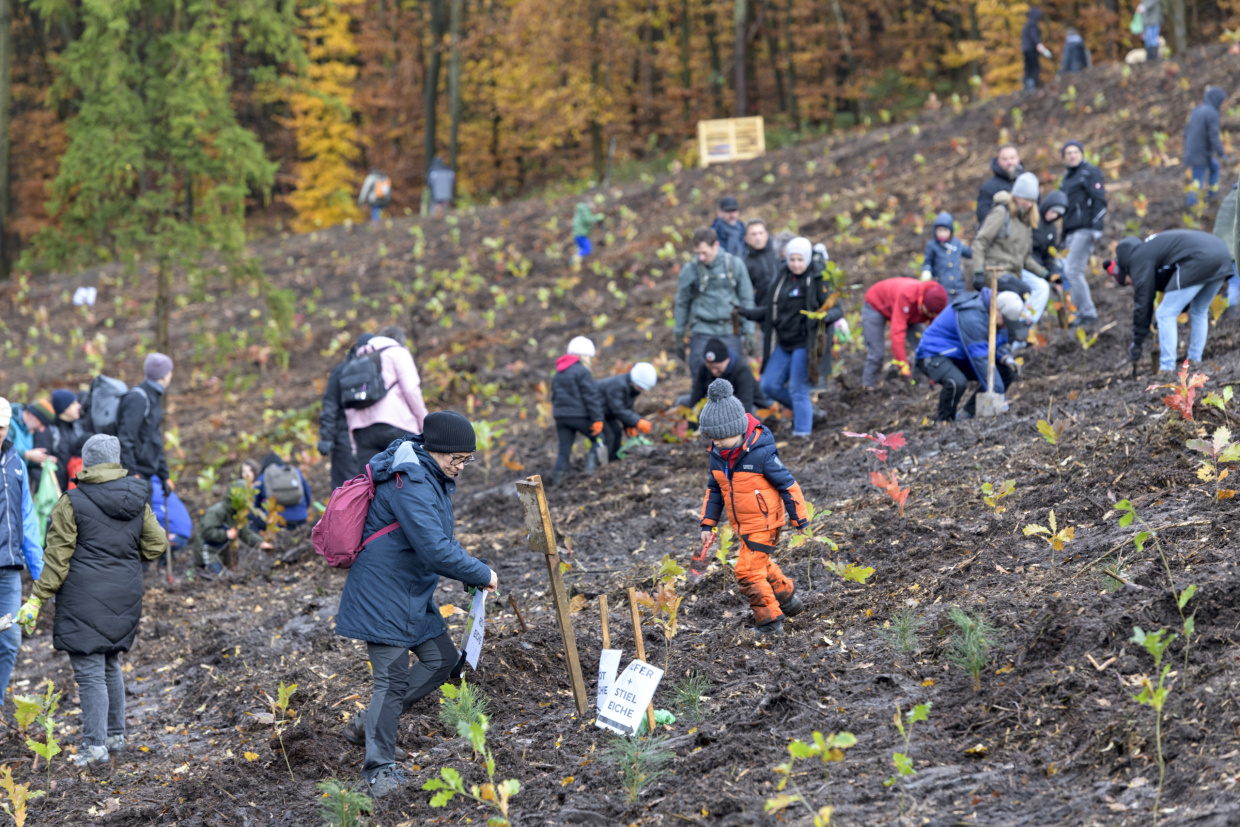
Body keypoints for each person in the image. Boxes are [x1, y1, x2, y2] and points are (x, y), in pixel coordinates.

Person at [334, 412, 497, 798]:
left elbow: (438, 540)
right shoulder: (412, 481)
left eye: (466, 459)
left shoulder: (430, 475)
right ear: (436, 449)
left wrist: (469, 572)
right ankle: (379, 771)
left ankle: (367, 725)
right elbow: (434, 548)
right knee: (389, 683)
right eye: (457, 458)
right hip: (382, 594)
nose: (460, 466)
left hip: (409, 591)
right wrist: (479, 572)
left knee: (441, 659)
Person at [15, 435, 165, 768]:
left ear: (86, 462)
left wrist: (37, 598)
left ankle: (95, 746)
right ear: (116, 460)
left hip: (83, 597)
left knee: (90, 672)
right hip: (125, 594)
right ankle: (115, 736)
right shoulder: (138, 498)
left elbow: (56, 560)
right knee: (110, 663)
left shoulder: (72, 502)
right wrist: (122, 557)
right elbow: (156, 546)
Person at [695, 379, 808, 636]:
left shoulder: (761, 454)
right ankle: (788, 599)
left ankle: (769, 623)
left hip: (765, 523)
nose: (717, 443)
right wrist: (707, 523)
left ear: (736, 429)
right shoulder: (718, 456)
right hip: (743, 524)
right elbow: (714, 491)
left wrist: (799, 518)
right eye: (712, 438)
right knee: (761, 565)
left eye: (720, 437)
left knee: (746, 571)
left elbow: (788, 484)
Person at [1106, 231, 1232, 373]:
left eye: (1127, 282)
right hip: (1221, 255)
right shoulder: (1152, 248)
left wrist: (1138, 341)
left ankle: (1167, 368)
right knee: (1199, 310)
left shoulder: (1138, 259)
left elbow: (1143, 303)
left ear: (1125, 270)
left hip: (1199, 259)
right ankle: (1195, 361)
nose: (1132, 285)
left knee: (1165, 313)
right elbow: (1181, 286)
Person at [757, 237, 840, 437]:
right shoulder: (782, 276)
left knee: (798, 388)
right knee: (768, 384)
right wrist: (746, 312)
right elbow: (772, 309)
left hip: (807, 342)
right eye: (792, 259)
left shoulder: (819, 277)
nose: (795, 264)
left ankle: (802, 434)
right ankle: (810, 412)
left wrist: (823, 316)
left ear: (808, 258)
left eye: (800, 260)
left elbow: (836, 309)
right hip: (785, 341)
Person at [915, 290, 1027, 421]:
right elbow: (981, 359)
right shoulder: (972, 317)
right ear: (997, 310)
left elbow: (996, 344)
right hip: (933, 354)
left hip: (961, 356)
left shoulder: (997, 318)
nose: (1005, 326)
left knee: (1007, 370)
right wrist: (999, 396)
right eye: (1005, 321)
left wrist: (1005, 357)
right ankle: (945, 422)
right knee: (956, 381)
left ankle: (966, 415)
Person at [0, 399, 44, 709]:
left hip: (9, 569)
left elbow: (27, 519)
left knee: (10, 640)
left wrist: (40, 575)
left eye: (1, 427)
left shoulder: (15, 462)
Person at [972, 173, 1052, 334]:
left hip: (1014, 271)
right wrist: (979, 271)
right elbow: (980, 241)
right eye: (1026, 200)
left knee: (1042, 287)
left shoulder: (1026, 220)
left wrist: (1046, 274)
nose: (1029, 205)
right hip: (995, 270)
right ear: (1016, 196)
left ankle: (1025, 326)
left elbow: (1026, 258)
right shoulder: (1002, 213)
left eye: (1032, 201)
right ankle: (1016, 330)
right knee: (1023, 291)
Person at [673, 227, 755, 379]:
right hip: (702, 328)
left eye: (705, 253)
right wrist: (679, 333)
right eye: (698, 253)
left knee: (734, 373)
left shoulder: (734, 265)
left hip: (731, 327)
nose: (701, 258)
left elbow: (746, 298)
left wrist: (749, 330)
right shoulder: (690, 269)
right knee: (699, 371)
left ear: (716, 245)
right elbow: (682, 302)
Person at [346, 326, 430, 467]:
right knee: (410, 481)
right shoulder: (397, 352)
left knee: (373, 485)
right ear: (399, 341)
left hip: (362, 432)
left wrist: (354, 445)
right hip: (396, 425)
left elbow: (349, 405)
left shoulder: (356, 361)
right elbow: (411, 390)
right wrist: (425, 425)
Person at [117, 353, 174, 530]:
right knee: (136, 532)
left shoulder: (154, 398)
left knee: (144, 532)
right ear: (164, 375)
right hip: (137, 477)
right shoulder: (139, 398)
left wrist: (165, 475)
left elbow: (154, 439)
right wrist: (133, 474)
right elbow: (125, 439)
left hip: (145, 477)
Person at [861, 278, 949, 389]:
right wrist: (904, 369)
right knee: (877, 353)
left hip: (911, 314)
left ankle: (918, 380)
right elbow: (897, 334)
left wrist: (935, 375)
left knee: (921, 345)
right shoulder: (907, 295)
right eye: (929, 313)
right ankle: (869, 386)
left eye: (933, 315)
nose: (930, 317)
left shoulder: (934, 306)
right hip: (876, 306)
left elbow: (934, 340)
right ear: (921, 302)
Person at [1059, 140, 1107, 327]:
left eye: (1075, 152)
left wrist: (1097, 227)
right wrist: (1062, 237)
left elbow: (1099, 200)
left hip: (1085, 228)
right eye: (1068, 153)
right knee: (1067, 271)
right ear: (1064, 157)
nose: (1072, 155)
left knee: (1073, 270)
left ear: (1081, 154)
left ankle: (1088, 313)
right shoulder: (1066, 179)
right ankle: (1078, 313)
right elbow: (1065, 210)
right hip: (1070, 231)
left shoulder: (1090, 172)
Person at [195, 462, 272, 574]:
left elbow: (244, 532)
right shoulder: (217, 511)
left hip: (222, 554)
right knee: (220, 577)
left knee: (228, 576)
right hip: (207, 552)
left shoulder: (237, 514)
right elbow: (207, 532)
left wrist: (260, 543)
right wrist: (226, 534)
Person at [551, 336, 604, 486]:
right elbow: (591, 397)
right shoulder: (582, 372)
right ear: (584, 356)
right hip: (578, 416)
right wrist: (598, 419)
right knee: (599, 439)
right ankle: (591, 472)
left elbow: (554, 396)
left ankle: (556, 484)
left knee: (563, 452)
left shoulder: (558, 373)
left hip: (561, 417)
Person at [320, 334, 370, 490]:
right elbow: (330, 404)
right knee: (348, 487)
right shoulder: (342, 371)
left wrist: (327, 436)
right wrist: (327, 436)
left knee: (348, 488)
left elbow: (330, 404)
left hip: (358, 438)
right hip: (349, 438)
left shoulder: (342, 370)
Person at [597, 363, 657, 462]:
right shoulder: (618, 385)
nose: (642, 390)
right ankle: (600, 463)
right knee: (609, 436)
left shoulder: (632, 388)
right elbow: (618, 408)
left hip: (606, 413)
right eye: (641, 387)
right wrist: (637, 421)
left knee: (616, 431)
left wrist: (629, 425)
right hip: (596, 413)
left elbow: (627, 407)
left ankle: (613, 459)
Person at [687, 337, 760, 414]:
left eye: (717, 368)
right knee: (683, 402)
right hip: (716, 405)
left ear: (727, 360)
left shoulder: (742, 371)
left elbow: (745, 405)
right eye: (710, 367)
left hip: (747, 407)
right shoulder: (704, 368)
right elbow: (696, 395)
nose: (713, 371)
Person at [1184, 87, 1227, 207]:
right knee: (1197, 181)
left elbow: (1186, 131)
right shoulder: (1212, 114)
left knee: (1214, 167)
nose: (1222, 105)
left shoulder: (1198, 110)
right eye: (1222, 102)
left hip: (1193, 151)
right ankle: (1192, 205)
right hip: (1200, 154)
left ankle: (1212, 195)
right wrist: (1221, 153)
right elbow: (1213, 136)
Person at [1031, 191, 1070, 325]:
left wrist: (1053, 272)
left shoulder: (1052, 229)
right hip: (1029, 263)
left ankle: (1065, 315)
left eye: (1058, 215)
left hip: (1042, 263)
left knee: (1063, 268)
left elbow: (1049, 255)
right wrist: (1044, 272)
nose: (1054, 216)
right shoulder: (1033, 220)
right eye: (1053, 211)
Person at [40, 389, 88, 493]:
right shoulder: (49, 431)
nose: (79, 406)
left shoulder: (78, 427)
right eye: (74, 403)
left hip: (77, 491)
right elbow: (40, 466)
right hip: (56, 493)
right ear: (65, 408)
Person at [743, 219, 778, 355]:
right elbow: (746, 295)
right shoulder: (746, 264)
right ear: (746, 238)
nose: (757, 237)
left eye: (760, 233)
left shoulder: (779, 254)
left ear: (767, 235)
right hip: (766, 321)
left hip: (790, 318)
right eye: (753, 234)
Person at [254, 452, 313, 530]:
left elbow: (255, 500)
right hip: (300, 517)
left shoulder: (264, 476)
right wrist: (304, 509)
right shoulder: (295, 471)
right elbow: (307, 493)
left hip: (275, 521)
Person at [921, 212, 972, 298]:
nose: (942, 233)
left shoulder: (956, 243)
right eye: (940, 230)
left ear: (950, 231)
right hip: (942, 286)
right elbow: (927, 261)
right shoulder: (932, 246)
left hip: (958, 286)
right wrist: (926, 271)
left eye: (945, 230)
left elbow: (970, 253)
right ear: (935, 231)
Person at [8, 399, 53, 491]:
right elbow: (4, 452)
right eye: (41, 424)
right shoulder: (8, 425)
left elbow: (23, 461)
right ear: (32, 416)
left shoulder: (29, 430)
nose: (41, 430)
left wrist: (41, 459)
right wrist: (27, 454)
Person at [976, 145, 1023, 225]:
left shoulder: (1026, 183)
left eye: (1012, 158)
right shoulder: (989, 187)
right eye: (1005, 159)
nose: (1009, 162)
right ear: (998, 161)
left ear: (1018, 159)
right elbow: (983, 217)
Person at [1213, 181, 1239, 318]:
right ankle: (1232, 312)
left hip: (1217, 246)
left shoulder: (1230, 195)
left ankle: (1219, 309)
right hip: (1232, 248)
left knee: (1220, 281)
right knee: (1235, 281)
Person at [1021, 8, 1052, 90]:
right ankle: (1031, 85)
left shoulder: (1027, 25)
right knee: (1034, 67)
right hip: (1031, 50)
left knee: (1028, 67)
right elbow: (1034, 37)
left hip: (1026, 49)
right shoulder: (1032, 24)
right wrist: (1040, 46)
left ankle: (1028, 85)